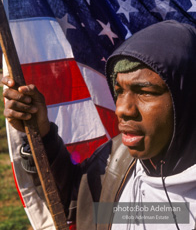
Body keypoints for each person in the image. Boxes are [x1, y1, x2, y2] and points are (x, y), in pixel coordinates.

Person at [2, 20, 196, 230]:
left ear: (187, 100)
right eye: (120, 91)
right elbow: (79, 203)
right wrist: (42, 135)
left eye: (145, 92)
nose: (122, 109)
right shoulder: (118, 158)